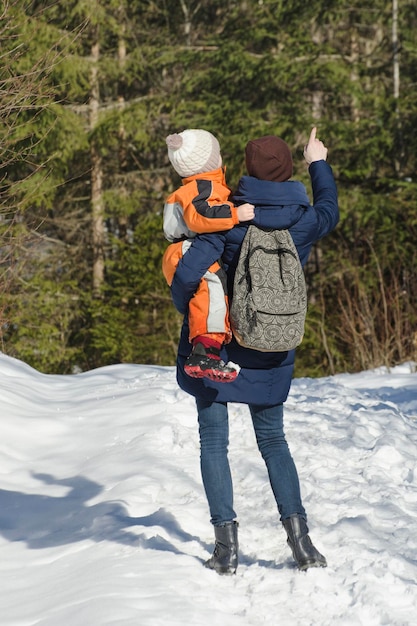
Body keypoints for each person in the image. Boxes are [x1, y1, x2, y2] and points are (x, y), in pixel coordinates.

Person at [168, 127, 339, 574]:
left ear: (247, 173)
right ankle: (302, 545)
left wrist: (189, 312)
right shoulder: (301, 221)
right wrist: (316, 161)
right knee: (273, 441)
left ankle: (226, 551)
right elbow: (329, 210)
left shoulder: (230, 218)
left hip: (219, 348)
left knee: (213, 443)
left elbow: (187, 275)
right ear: (285, 173)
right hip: (271, 345)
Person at [162, 128, 254, 383]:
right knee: (213, 287)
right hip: (187, 250)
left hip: (186, 250)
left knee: (210, 293)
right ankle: (203, 350)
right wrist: (236, 214)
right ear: (211, 161)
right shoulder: (201, 187)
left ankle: (208, 350)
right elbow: (201, 216)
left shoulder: (201, 186)